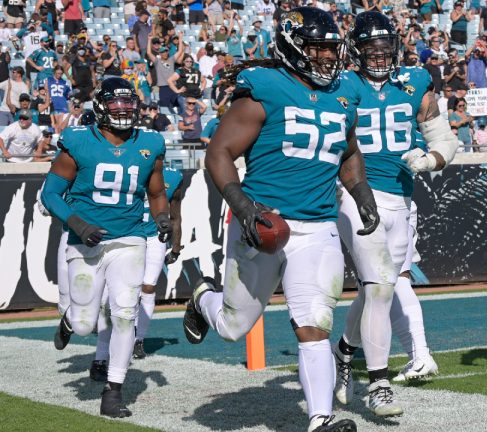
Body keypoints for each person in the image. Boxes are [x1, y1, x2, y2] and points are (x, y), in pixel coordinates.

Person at [181, 8, 370, 432]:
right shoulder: (264, 87)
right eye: (317, 49)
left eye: (330, 48)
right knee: (233, 326)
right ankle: (203, 299)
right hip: (264, 224)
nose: (327, 57)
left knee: (315, 323)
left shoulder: (344, 93)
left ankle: (320, 419)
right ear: (293, 47)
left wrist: (362, 194)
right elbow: (219, 152)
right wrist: (243, 207)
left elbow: (349, 151)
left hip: (318, 226)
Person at [332, 11, 459, 417]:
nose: (379, 56)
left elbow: (444, 138)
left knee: (377, 288)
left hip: (402, 198)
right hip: (357, 193)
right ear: (357, 51)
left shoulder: (415, 81)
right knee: (382, 282)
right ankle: (379, 383)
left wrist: (431, 159)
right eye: (370, 49)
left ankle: (344, 350)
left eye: (385, 49)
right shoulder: (342, 84)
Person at [41, 77, 172, 418]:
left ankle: (113, 390)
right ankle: (71, 318)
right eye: (116, 103)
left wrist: (162, 218)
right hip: (85, 241)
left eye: (129, 103)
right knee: (85, 323)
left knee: (125, 314)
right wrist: (78, 224)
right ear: (100, 106)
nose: (124, 109)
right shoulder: (79, 141)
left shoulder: (149, 142)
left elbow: (157, 192)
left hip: (129, 239)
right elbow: (50, 194)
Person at [133, 167, 185, 359]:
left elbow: (175, 217)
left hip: (155, 236)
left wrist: (176, 247)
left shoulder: (173, 176)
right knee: (127, 288)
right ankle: (119, 333)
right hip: (130, 233)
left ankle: (138, 339)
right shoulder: (131, 166)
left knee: (148, 287)